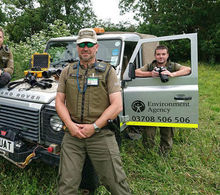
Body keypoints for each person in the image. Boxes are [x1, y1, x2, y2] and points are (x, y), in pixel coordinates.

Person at [56, 28, 131, 194]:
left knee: (116, 182)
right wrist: (71, 126)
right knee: (66, 184)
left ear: (96, 47)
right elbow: (59, 102)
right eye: (81, 44)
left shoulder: (107, 71)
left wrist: (95, 127)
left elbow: (117, 105)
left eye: (89, 44)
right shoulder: (67, 72)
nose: (85, 48)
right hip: (72, 135)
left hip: (101, 134)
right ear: (77, 47)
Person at [135, 45, 191, 155]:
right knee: (149, 127)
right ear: (155, 55)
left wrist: (172, 74)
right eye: (158, 54)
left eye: (163, 54)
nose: (161, 57)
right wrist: (151, 74)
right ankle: (148, 152)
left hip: (167, 101)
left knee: (167, 128)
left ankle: (165, 152)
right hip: (152, 101)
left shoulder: (172, 65)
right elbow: (136, 72)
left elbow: (188, 69)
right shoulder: (150, 65)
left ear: (167, 55)